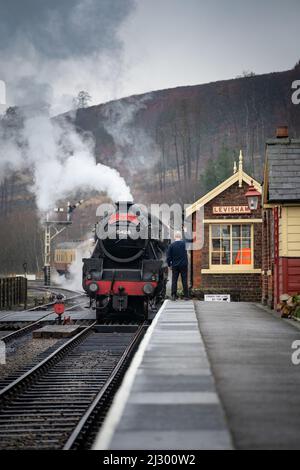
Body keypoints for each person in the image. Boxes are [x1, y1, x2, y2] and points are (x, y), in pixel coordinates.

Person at [167, 230, 189, 301]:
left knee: (174, 280)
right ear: (181, 237)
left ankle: (174, 295)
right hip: (183, 265)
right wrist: (185, 231)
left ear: (174, 237)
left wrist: (169, 264)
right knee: (184, 280)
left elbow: (168, 257)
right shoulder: (184, 244)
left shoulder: (171, 246)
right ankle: (186, 296)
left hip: (175, 265)